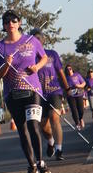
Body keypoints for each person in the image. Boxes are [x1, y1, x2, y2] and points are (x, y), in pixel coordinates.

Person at [0, 10, 51, 173]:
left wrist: (36, 68)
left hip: (33, 90)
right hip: (12, 94)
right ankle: (31, 164)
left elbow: (44, 58)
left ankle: (41, 162)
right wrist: (5, 64)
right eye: (6, 21)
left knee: (33, 125)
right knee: (22, 129)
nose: (10, 24)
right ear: (3, 26)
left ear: (19, 23)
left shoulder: (31, 41)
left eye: (14, 20)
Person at [30, 29, 69, 161]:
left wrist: (67, 88)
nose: (36, 41)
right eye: (33, 39)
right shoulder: (29, 57)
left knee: (54, 117)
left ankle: (59, 149)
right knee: (43, 125)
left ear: (43, 40)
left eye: (38, 39)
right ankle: (51, 141)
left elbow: (60, 72)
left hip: (54, 91)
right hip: (38, 94)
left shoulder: (52, 54)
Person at [65, 65, 87, 130]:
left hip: (79, 94)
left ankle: (81, 118)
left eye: (70, 69)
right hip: (71, 96)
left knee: (81, 109)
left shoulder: (77, 75)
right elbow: (63, 87)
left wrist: (79, 85)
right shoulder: (65, 78)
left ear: (72, 69)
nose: (69, 70)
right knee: (74, 110)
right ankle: (77, 123)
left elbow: (84, 83)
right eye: (67, 69)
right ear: (66, 71)